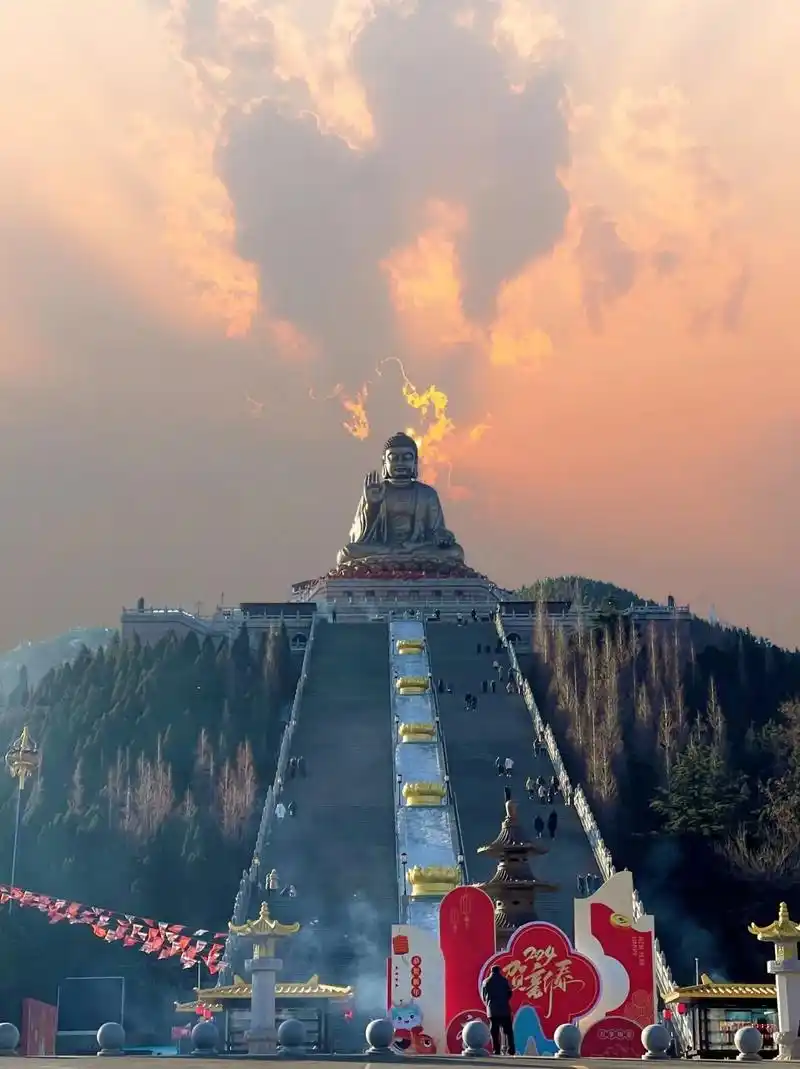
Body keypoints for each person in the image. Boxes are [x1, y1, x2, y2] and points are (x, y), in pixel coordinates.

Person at [481, 965, 515, 1056]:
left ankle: (496, 1050)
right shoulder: (504, 981)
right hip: (504, 1009)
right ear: (499, 971)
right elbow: (509, 993)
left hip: (492, 1010)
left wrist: (489, 1003)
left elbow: (484, 996)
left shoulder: (486, 982)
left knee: (494, 1031)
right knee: (508, 1031)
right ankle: (511, 1049)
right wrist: (504, 1000)